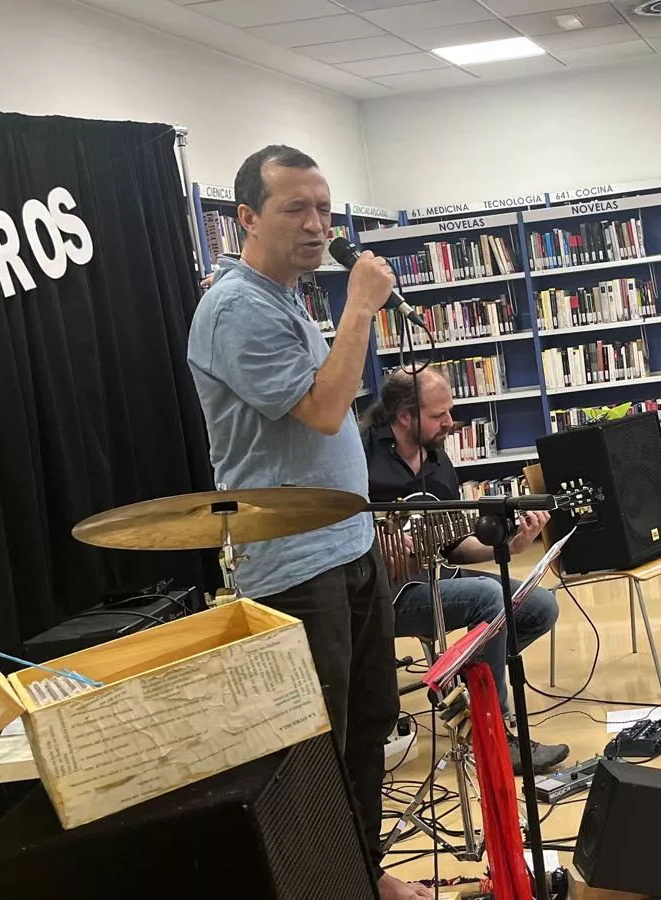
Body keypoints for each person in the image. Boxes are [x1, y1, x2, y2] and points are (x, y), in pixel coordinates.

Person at [186, 145, 430, 900]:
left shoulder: (285, 295)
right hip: (295, 567)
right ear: (247, 218)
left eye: (325, 208)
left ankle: (362, 874)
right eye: (297, 208)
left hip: (347, 546)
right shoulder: (236, 308)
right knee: (317, 747)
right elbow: (326, 412)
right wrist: (359, 305)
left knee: (369, 721)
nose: (319, 225)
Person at [363, 367, 569, 775]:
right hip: (381, 593)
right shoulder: (358, 455)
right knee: (491, 599)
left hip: (436, 578)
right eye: (439, 415)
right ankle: (493, 733)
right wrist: (378, 547)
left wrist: (510, 545)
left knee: (538, 605)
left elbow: (455, 545)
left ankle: (463, 686)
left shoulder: (438, 461)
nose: (450, 423)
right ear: (404, 416)